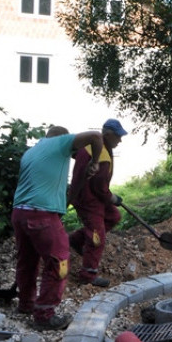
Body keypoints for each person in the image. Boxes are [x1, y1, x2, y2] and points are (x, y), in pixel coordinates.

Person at [12, 125, 103, 330]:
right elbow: (96, 137)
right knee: (59, 261)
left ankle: (26, 303)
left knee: (27, 261)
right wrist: (95, 162)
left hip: (19, 212)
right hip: (41, 215)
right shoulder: (59, 143)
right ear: (62, 138)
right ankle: (44, 314)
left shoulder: (31, 152)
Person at [68, 119, 128, 287]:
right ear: (108, 135)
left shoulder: (92, 146)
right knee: (96, 237)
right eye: (118, 136)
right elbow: (99, 187)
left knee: (113, 216)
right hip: (88, 199)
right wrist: (112, 198)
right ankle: (88, 275)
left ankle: (74, 240)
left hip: (93, 196)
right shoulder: (100, 153)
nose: (120, 140)